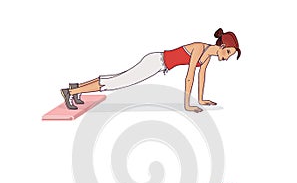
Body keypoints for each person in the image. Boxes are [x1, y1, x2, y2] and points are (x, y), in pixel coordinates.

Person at [61, 28, 241, 113]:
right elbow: (190, 77)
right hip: (156, 62)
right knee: (116, 82)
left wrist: (201, 99)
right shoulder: (199, 48)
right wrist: (187, 104)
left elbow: (201, 78)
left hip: (158, 64)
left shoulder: (207, 57)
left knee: (114, 79)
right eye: (227, 52)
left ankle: (77, 88)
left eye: (230, 55)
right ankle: (71, 92)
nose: (226, 57)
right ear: (222, 45)